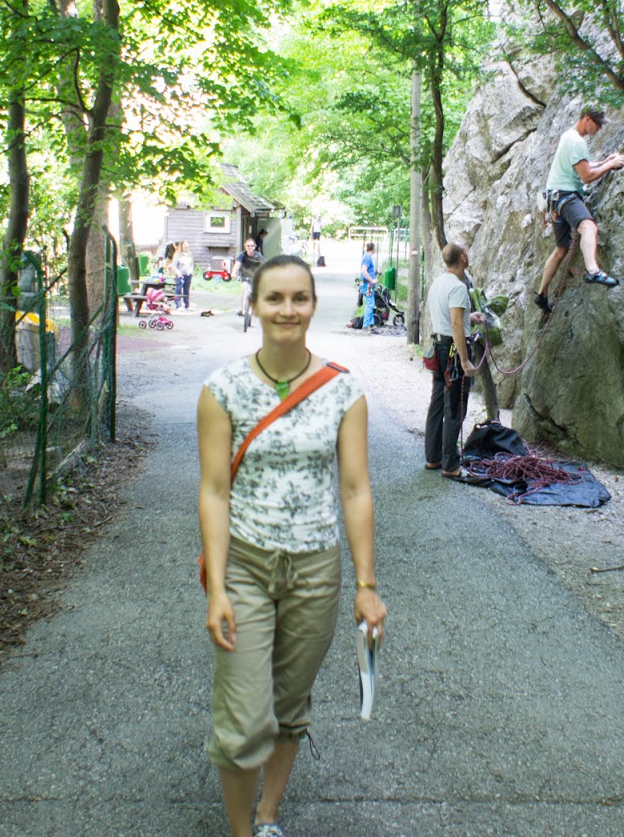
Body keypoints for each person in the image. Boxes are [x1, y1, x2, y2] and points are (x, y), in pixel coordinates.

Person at [198, 255, 387, 837]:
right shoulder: (222, 389)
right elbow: (214, 491)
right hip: (247, 565)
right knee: (242, 716)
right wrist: (217, 588)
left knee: (289, 702)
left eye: (299, 298)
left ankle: (268, 817)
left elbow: (355, 490)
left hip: (315, 569)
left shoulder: (343, 390)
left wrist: (366, 585)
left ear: (313, 305)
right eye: (274, 298)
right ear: (254, 305)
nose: (287, 310)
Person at [534, 107, 624, 314]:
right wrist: (610, 165)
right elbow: (586, 177)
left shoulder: (568, 136)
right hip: (566, 196)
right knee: (588, 227)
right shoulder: (577, 141)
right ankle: (593, 270)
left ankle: (541, 294)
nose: (599, 128)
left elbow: (581, 166)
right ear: (586, 119)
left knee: (561, 249)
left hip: (555, 199)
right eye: (597, 124)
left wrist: (605, 161)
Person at [424, 244, 483, 479]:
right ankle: (450, 465)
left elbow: (451, 317)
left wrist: (470, 317)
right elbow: (456, 325)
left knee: (437, 403)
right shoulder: (458, 287)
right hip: (452, 352)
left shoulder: (438, 283)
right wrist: (465, 361)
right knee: (455, 407)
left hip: (438, 348)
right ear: (463, 258)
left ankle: (433, 457)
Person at [233, 237, 264, 316]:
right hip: (245, 277)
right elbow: (237, 264)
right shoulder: (242, 255)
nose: (250, 247)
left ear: (255, 246)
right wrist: (233, 273)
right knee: (244, 289)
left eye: (252, 246)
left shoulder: (258, 256)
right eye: (248, 246)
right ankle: (242, 309)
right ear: (245, 246)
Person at [359, 242, 379, 330]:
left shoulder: (366, 256)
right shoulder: (368, 258)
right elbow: (364, 271)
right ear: (373, 249)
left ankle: (371, 323)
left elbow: (367, 270)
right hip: (368, 285)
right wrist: (372, 280)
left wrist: (375, 272)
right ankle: (366, 325)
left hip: (367, 284)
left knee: (370, 303)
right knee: (370, 304)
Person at [174, 240, 195, 311]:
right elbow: (174, 265)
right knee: (178, 289)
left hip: (188, 274)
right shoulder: (177, 254)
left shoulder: (189, 254)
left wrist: (191, 272)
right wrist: (178, 272)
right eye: (184, 245)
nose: (186, 246)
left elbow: (192, 264)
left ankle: (187, 305)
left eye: (187, 244)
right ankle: (178, 305)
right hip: (180, 274)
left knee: (186, 290)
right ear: (181, 246)